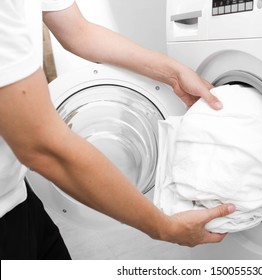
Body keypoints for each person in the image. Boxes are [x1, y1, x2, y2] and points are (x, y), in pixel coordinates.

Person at [0, 0, 235, 260]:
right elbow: (43, 147)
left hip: (15, 194)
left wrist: (175, 73)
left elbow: (78, 31)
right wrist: (163, 226)